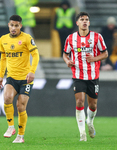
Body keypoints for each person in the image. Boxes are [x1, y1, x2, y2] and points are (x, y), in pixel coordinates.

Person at [63, 12, 108, 141]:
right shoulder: (70, 38)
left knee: (93, 105)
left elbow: (105, 54)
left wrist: (94, 58)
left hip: (93, 76)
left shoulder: (97, 37)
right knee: (79, 101)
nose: (84, 21)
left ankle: (90, 122)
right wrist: (67, 61)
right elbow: (65, 54)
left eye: (86, 20)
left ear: (89, 23)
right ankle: (82, 133)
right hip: (78, 75)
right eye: (82, 19)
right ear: (77, 23)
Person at [0, 15, 39, 143]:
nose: (14, 28)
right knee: (7, 98)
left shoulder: (27, 38)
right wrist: (0, 76)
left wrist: (32, 72)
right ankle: (10, 127)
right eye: (11, 25)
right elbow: (3, 58)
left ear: (20, 26)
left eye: (16, 25)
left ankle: (20, 136)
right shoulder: (3, 39)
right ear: (8, 25)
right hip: (11, 77)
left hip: (26, 79)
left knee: (20, 107)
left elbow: (35, 55)